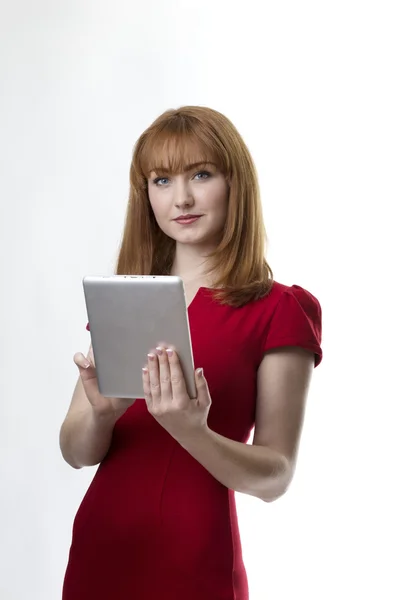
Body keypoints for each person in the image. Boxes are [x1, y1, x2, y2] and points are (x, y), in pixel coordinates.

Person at [59, 105, 323, 600]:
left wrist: (190, 430)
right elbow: (75, 452)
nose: (181, 198)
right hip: (101, 551)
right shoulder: (126, 301)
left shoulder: (278, 309)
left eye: (201, 174)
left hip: (195, 560)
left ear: (234, 183)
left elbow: (275, 476)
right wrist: (100, 416)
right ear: (147, 197)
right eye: (161, 180)